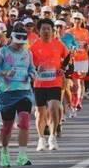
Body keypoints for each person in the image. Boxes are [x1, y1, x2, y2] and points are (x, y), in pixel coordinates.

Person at [0, 25, 36, 167]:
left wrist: (31, 75)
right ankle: (4, 151)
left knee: (24, 122)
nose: (20, 44)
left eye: (22, 42)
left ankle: (22, 155)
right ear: (12, 38)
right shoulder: (3, 52)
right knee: (7, 126)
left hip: (24, 92)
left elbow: (32, 69)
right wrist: (5, 73)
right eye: (18, 41)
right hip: (7, 93)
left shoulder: (28, 53)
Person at [29, 19, 69, 152]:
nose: (46, 31)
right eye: (43, 29)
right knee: (40, 113)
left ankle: (52, 136)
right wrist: (36, 68)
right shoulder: (33, 47)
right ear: (39, 31)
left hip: (55, 82)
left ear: (52, 31)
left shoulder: (58, 44)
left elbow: (68, 57)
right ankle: (41, 139)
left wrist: (63, 68)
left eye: (48, 29)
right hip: (39, 84)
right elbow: (28, 64)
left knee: (53, 108)